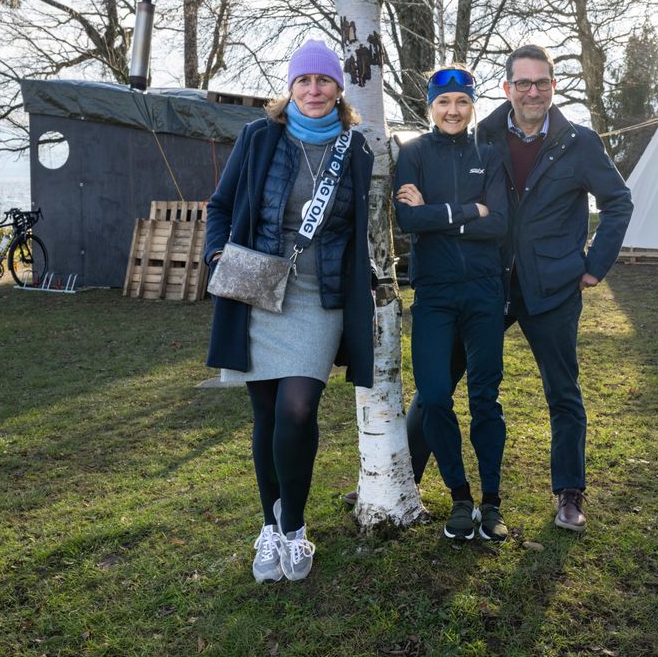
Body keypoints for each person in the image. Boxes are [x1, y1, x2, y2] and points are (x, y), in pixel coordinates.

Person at [405, 45, 632, 533]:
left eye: (542, 82)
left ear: (553, 86)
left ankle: (569, 492)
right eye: (522, 83)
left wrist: (596, 264)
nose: (532, 91)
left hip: (550, 286)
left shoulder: (579, 142)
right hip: (486, 282)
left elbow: (619, 202)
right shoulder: (482, 133)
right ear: (507, 89)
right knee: (434, 387)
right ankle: (401, 480)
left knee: (562, 391)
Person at [204, 39, 374, 582]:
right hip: (257, 289)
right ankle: (269, 527)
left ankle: (295, 529)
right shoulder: (259, 136)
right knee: (267, 414)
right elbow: (222, 204)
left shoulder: (357, 149)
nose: (314, 89)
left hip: (317, 296)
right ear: (291, 88)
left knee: (298, 408)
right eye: (304, 81)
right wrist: (215, 252)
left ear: (339, 90)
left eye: (324, 81)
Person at [394, 66, 511, 541]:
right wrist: (466, 213)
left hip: (484, 291)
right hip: (435, 294)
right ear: (430, 108)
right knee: (436, 396)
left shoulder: (492, 154)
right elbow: (408, 219)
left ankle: (492, 503)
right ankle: (459, 496)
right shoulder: (415, 153)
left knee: (485, 398)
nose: (453, 111)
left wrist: (435, 216)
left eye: (462, 101)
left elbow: (500, 222)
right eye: (443, 103)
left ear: (473, 105)